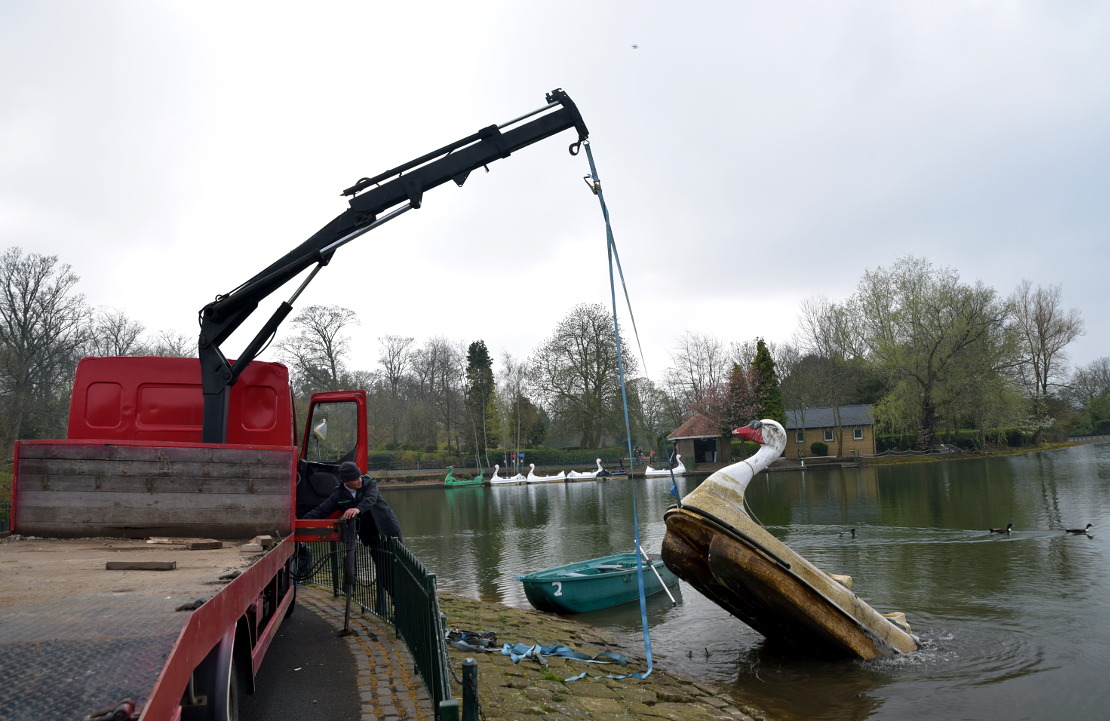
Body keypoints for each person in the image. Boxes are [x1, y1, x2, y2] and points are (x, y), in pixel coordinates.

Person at [303, 461, 402, 615]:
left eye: (359, 476)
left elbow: (370, 499)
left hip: (388, 530)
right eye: (356, 478)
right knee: (383, 572)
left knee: (395, 567)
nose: (360, 480)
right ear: (346, 482)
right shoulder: (338, 494)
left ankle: (402, 606)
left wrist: (357, 509)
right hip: (372, 537)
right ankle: (399, 605)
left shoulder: (369, 483)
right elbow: (321, 511)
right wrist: (300, 523)